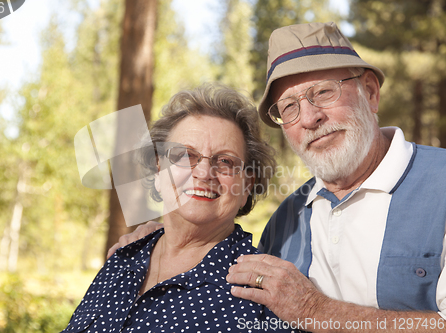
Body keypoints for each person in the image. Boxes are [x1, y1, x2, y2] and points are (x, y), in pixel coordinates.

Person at [111, 22, 446, 332]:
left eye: (323, 93)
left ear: (370, 92)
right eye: (289, 107)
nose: (310, 118)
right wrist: (167, 235)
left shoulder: (439, 183)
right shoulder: (286, 222)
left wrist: (319, 311)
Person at [61, 84, 298, 333]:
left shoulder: (260, 296)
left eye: (225, 161)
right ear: (157, 171)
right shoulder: (122, 259)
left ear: (246, 187)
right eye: (185, 155)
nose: (205, 173)